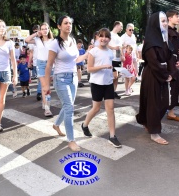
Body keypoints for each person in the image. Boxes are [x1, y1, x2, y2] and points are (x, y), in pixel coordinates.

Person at [43, 15, 91, 152]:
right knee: (69, 108)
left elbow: (76, 60)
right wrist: (46, 85)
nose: (68, 25)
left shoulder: (72, 40)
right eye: (65, 23)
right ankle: (71, 140)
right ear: (59, 26)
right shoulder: (54, 43)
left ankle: (56, 124)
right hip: (61, 79)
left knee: (67, 106)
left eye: (70, 23)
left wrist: (87, 53)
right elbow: (49, 65)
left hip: (73, 78)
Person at [136, 11, 178, 145]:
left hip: (163, 74)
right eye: (162, 21)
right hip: (153, 75)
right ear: (155, 23)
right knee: (154, 104)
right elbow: (153, 62)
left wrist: (172, 72)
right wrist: (166, 75)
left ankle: (145, 121)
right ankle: (154, 133)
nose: (165, 23)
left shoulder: (164, 39)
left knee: (164, 103)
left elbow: (170, 57)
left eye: (166, 21)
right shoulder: (150, 41)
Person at [81, 28, 122, 148]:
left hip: (108, 83)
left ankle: (112, 136)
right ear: (97, 37)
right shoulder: (93, 52)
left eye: (106, 37)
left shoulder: (110, 52)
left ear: (109, 39)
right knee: (96, 108)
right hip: (96, 83)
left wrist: (114, 72)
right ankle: (84, 125)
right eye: (101, 36)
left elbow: (111, 66)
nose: (104, 38)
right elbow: (89, 69)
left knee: (110, 109)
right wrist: (103, 66)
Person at [25, 22, 54, 117]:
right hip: (40, 64)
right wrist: (36, 34)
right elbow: (27, 40)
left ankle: (45, 102)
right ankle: (47, 108)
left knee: (47, 87)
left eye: (46, 28)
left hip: (50, 64)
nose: (45, 30)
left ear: (49, 30)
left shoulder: (53, 41)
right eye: (42, 29)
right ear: (40, 30)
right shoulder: (37, 40)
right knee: (44, 86)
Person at [108, 21, 124, 99]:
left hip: (117, 59)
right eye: (121, 26)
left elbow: (119, 48)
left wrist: (122, 56)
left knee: (116, 77)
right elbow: (105, 44)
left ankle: (113, 92)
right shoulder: (109, 34)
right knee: (114, 76)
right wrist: (113, 48)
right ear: (117, 25)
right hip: (111, 58)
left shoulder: (119, 37)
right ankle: (109, 92)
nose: (122, 28)